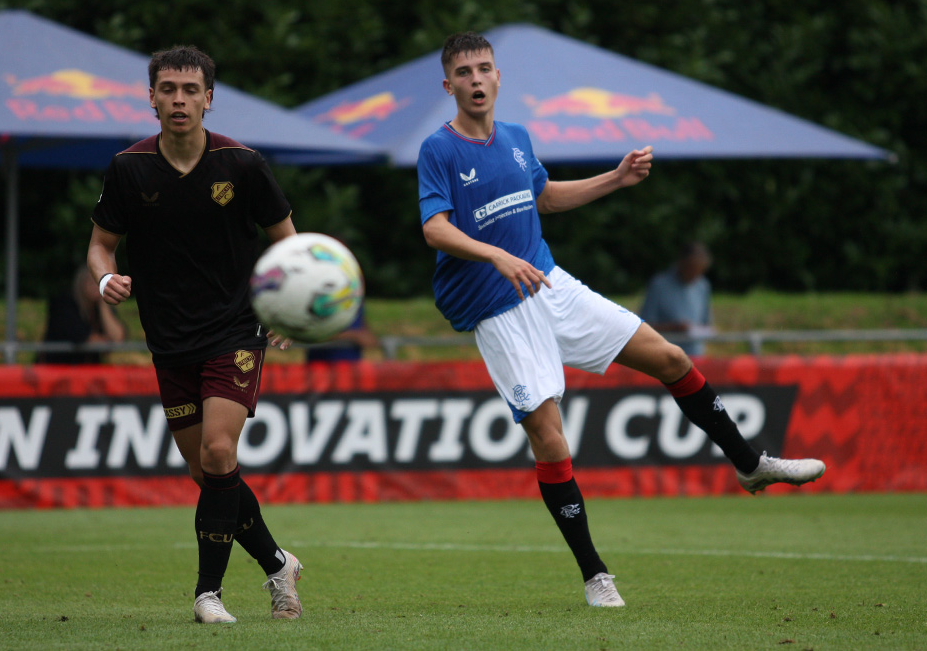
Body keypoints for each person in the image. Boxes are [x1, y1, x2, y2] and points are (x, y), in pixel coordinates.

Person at [416, 32, 825, 608]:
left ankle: (750, 464)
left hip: (548, 284)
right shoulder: (439, 149)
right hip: (496, 307)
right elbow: (434, 228)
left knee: (672, 358)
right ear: (449, 85)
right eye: (464, 73)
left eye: (485, 69)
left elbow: (545, 198)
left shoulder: (515, 138)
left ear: (499, 77)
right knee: (552, 442)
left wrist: (616, 177)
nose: (476, 80)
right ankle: (594, 575)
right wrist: (495, 255)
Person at [87, 45, 303, 625]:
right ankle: (279, 564)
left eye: (189, 89)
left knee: (218, 451)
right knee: (208, 474)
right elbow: (100, 244)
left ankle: (208, 593)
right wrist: (106, 277)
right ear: (151, 97)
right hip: (168, 340)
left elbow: (289, 243)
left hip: (235, 331)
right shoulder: (128, 168)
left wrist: (286, 310)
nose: (178, 99)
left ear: (209, 98)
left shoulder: (243, 165)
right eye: (168, 89)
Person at [36, 264, 126, 364]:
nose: (95, 286)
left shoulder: (99, 307)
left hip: (87, 371)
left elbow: (118, 338)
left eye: (99, 282)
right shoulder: (65, 304)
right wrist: (106, 343)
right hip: (57, 367)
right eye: (92, 281)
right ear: (82, 282)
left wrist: (103, 304)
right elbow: (83, 337)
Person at [639, 241, 715, 356]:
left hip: (695, 356)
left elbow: (706, 323)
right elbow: (645, 325)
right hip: (664, 355)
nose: (694, 275)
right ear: (681, 263)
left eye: (699, 271)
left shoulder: (702, 286)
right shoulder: (659, 285)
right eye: (691, 269)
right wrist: (674, 327)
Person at [305, 304, 379, 362]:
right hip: (321, 369)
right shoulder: (318, 302)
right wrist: (352, 335)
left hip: (350, 369)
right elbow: (310, 335)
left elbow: (370, 341)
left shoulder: (356, 303)